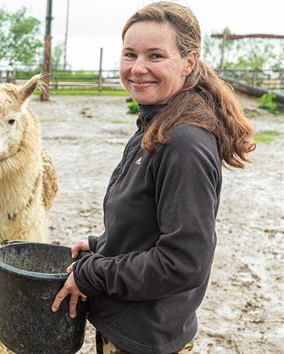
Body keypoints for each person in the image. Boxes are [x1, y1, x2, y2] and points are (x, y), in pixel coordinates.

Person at [50, 2, 256, 353]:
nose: (138, 68)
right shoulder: (157, 122)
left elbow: (182, 263)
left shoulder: (184, 142)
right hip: (130, 325)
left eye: (156, 56)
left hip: (145, 339)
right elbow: (154, 224)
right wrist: (105, 246)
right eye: (129, 54)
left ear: (189, 62)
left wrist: (94, 273)